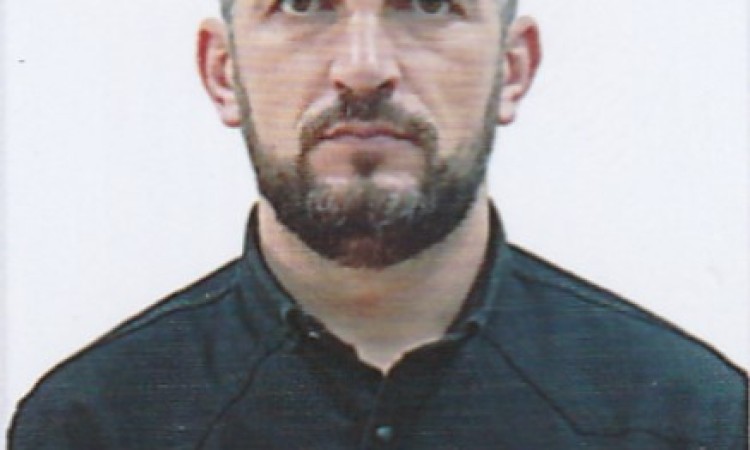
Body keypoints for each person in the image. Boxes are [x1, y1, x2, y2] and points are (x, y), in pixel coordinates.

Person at [8, 0, 747, 448]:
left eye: (427, 5)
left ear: (513, 69)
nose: (362, 70)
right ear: (223, 71)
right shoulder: (94, 425)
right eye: (303, 6)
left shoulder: (689, 419)